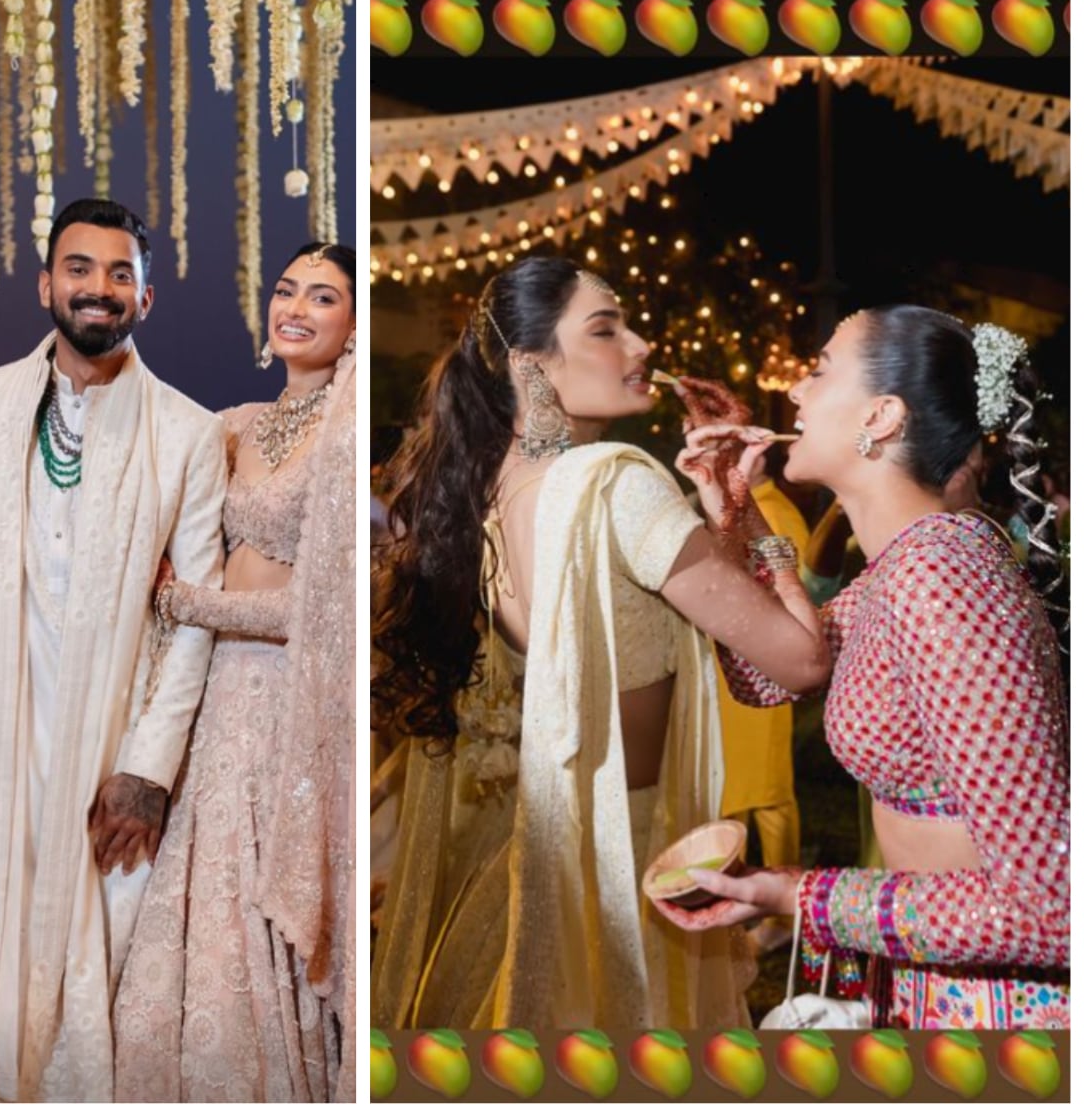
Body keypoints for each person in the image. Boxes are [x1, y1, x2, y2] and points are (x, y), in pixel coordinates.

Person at [371, 255, 832, 1031]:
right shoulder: (618, 485)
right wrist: (749, 516)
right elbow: (801, 658)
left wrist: (718, 510)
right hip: (626, 873)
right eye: (607, 328)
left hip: (529, 856)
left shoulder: (485, 487)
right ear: (530, 364)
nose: (641, 343)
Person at [659, 306, 1069, 1029]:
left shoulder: (944, 575)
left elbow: (1053, 905)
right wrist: (735, 514)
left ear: (879, 416)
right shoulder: (908, 565)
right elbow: (775, 672)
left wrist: (799, 895)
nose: (793, 392)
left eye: (817, 370)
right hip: (938, 976)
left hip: (1002, 1008)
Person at [0, 198, 228, 1102]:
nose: (99, 288)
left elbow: (199, 612)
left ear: (147, 295)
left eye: (119, 273)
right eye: (80, 269)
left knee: (93, 943)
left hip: (107, 732)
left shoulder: (188, 432)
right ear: (46, 283)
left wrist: (148, 768)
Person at [112, 243, 355, 1102]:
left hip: (289, 695)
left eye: (323, 297)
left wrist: (191, 605)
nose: (295, 306)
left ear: (354, 325)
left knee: (261, 906)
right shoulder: (236, 422)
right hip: (212, 694)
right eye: (287, 289)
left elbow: (323, 612)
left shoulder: (345, 438)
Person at [715, 446, 810, 956]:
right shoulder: (748, 508)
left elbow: (789, 593)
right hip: (740, 670)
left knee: (771, 791)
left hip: (766, 666)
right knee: (740, 787)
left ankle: (784, 910)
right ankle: (738, 885)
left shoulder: (774, 513)